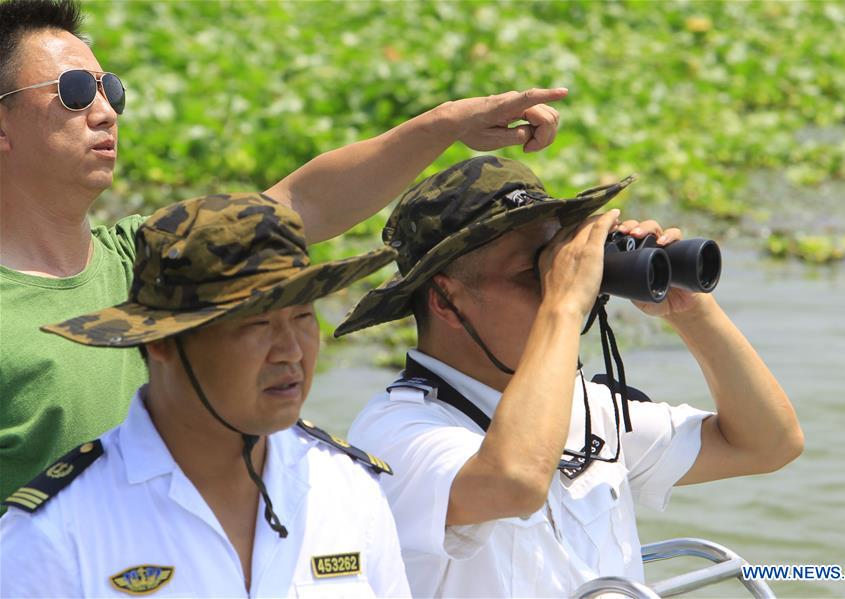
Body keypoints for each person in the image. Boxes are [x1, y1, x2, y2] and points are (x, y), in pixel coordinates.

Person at [0, 0, 566, 504]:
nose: (105, 112)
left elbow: (301, 203)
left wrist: (447, 123)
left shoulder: (148, 261)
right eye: (74, 92)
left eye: (110, 90)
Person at [335, 155, 804, 597]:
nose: (562, 282)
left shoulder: (585, 408)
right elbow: (514, 481)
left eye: (558, 266)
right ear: (445, 300)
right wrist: (562, 303)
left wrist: (693, 313)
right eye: (532, 273)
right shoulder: (397, 433)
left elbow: (767, 444)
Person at [1, 193, 412, 597]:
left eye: (303, 316)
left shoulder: (346, 488)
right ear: (162, 343)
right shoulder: (57, 532)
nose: (291, 351)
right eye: (256, 325)